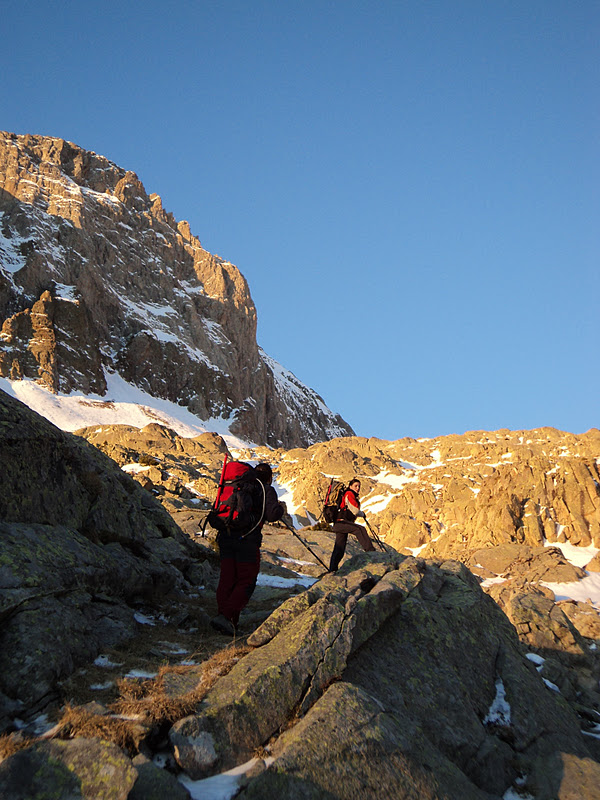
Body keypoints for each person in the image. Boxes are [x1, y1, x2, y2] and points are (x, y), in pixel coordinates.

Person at [211, 462, 285, 635]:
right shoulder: (265, 488)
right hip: (247, 540)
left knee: (227, 578)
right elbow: (272, 514)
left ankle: (225, 618)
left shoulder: (239, 485)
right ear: (270, 477)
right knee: (247, 580)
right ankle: (227, 618)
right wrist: (280, 509)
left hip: (226, 534)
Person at [329, 478, 375, 572]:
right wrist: (362, 514)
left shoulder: (347, 494)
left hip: (339, 523)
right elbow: (355, 510)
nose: (358, 488)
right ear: (350, 486)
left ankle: (332, 569)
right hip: (342, 522)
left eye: (359, 486)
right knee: (360, 529)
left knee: (339, 548)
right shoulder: (349, 494)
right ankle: (371, 552)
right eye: (356, 486)